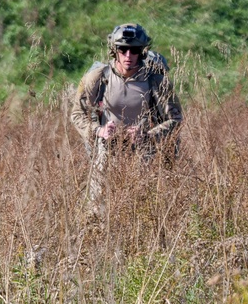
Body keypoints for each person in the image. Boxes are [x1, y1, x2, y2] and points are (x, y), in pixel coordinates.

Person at [70, 23, 183, 201]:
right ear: (114, 50)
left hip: (145, 154)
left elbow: (175, 120)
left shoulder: (156, 81)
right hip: (107, 151)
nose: (128, 56)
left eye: (134, 50)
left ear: (143, 51)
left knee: (142, 205)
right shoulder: (97, 77)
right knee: (97, 208)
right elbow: (77, 114)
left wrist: (147, 135)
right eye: (123, 50)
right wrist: (98, 130)